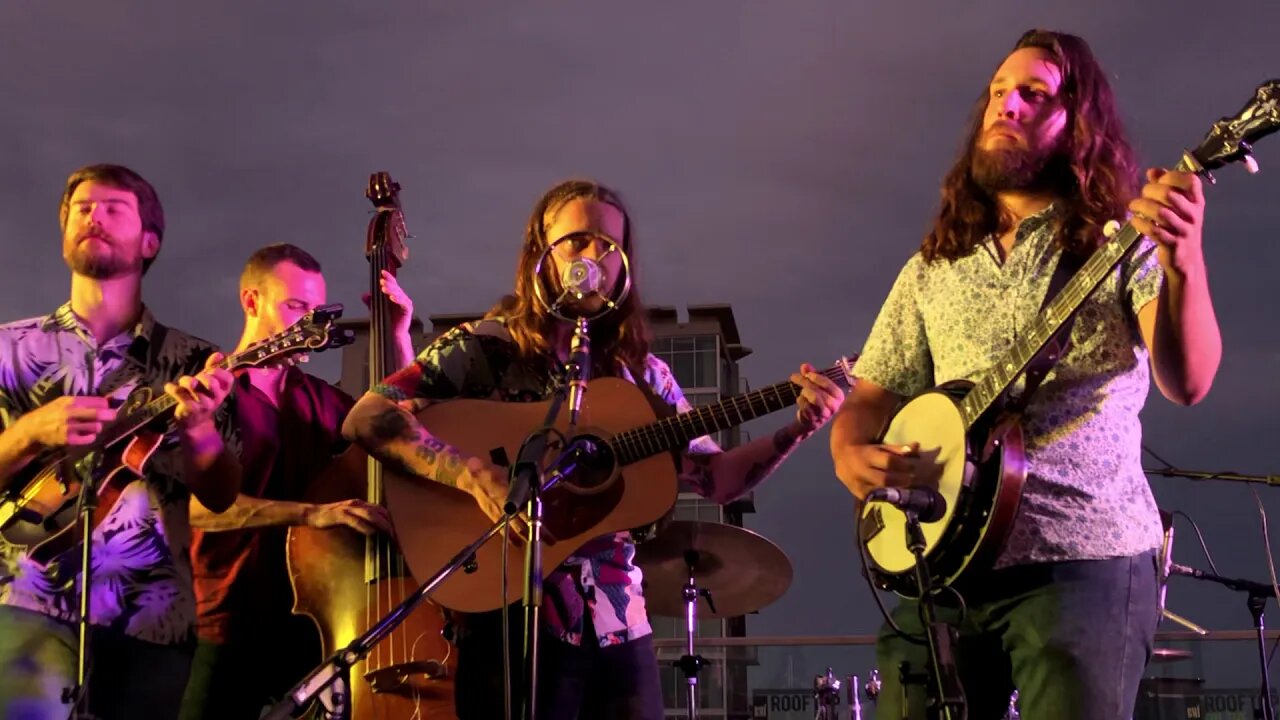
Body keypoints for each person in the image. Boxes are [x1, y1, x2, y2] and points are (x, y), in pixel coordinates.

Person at [341, 179, 845, 720]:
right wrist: (471, 475)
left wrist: (796, 430)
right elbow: (369, 415)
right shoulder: (483, 346)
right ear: (541, 252)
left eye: (609, 247)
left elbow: (717, 478)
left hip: (620, 630)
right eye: (577, 241)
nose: (593, 258)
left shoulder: (644, 379)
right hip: (508, 618)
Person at [828, 30, 1222, 720]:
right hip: (939, 566)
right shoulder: (933, 267)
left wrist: (1184, 261)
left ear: (1080, 123)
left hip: (1083, 558)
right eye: (999, 93)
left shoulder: (1125, 238)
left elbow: (1188, 380)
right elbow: (870, 395)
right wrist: (850, 453)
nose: (1008, 105)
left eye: (1034, 94)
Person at [0, 164, 243, 720]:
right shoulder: (8, 350)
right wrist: (28, 432)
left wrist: (201, 428)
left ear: (149, 240)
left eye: (114, 209)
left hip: (151, 622)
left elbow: (223, 492)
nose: (94, 217)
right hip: (24, 599)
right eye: (81, 208)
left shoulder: (194, 362)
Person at [178, 242, 412, 720]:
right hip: (224, 622)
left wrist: (398, 335)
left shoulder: (323, 402)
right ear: (250, 301)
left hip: (316, 622)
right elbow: (194, 507)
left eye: (314, 310)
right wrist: (310, 514)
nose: (307, 323)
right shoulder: (208, 398)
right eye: (294, 306)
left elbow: (398, 429)